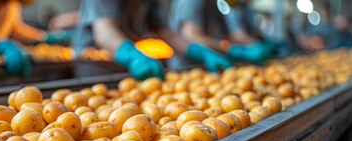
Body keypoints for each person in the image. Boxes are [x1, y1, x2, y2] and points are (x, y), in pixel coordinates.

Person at [72, 0, 233, 80]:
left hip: (123, 64)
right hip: (95, 62)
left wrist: (201, 52)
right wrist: (132, 55)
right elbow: (104, 30)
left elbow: (168, 34)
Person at [168, 0, 272, 70]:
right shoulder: (192, 2)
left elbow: (228, 36)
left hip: (212, 65)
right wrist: (230, 49)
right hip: (189, 67)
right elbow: (192, 35)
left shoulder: (216, 5)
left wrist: (250, 47)